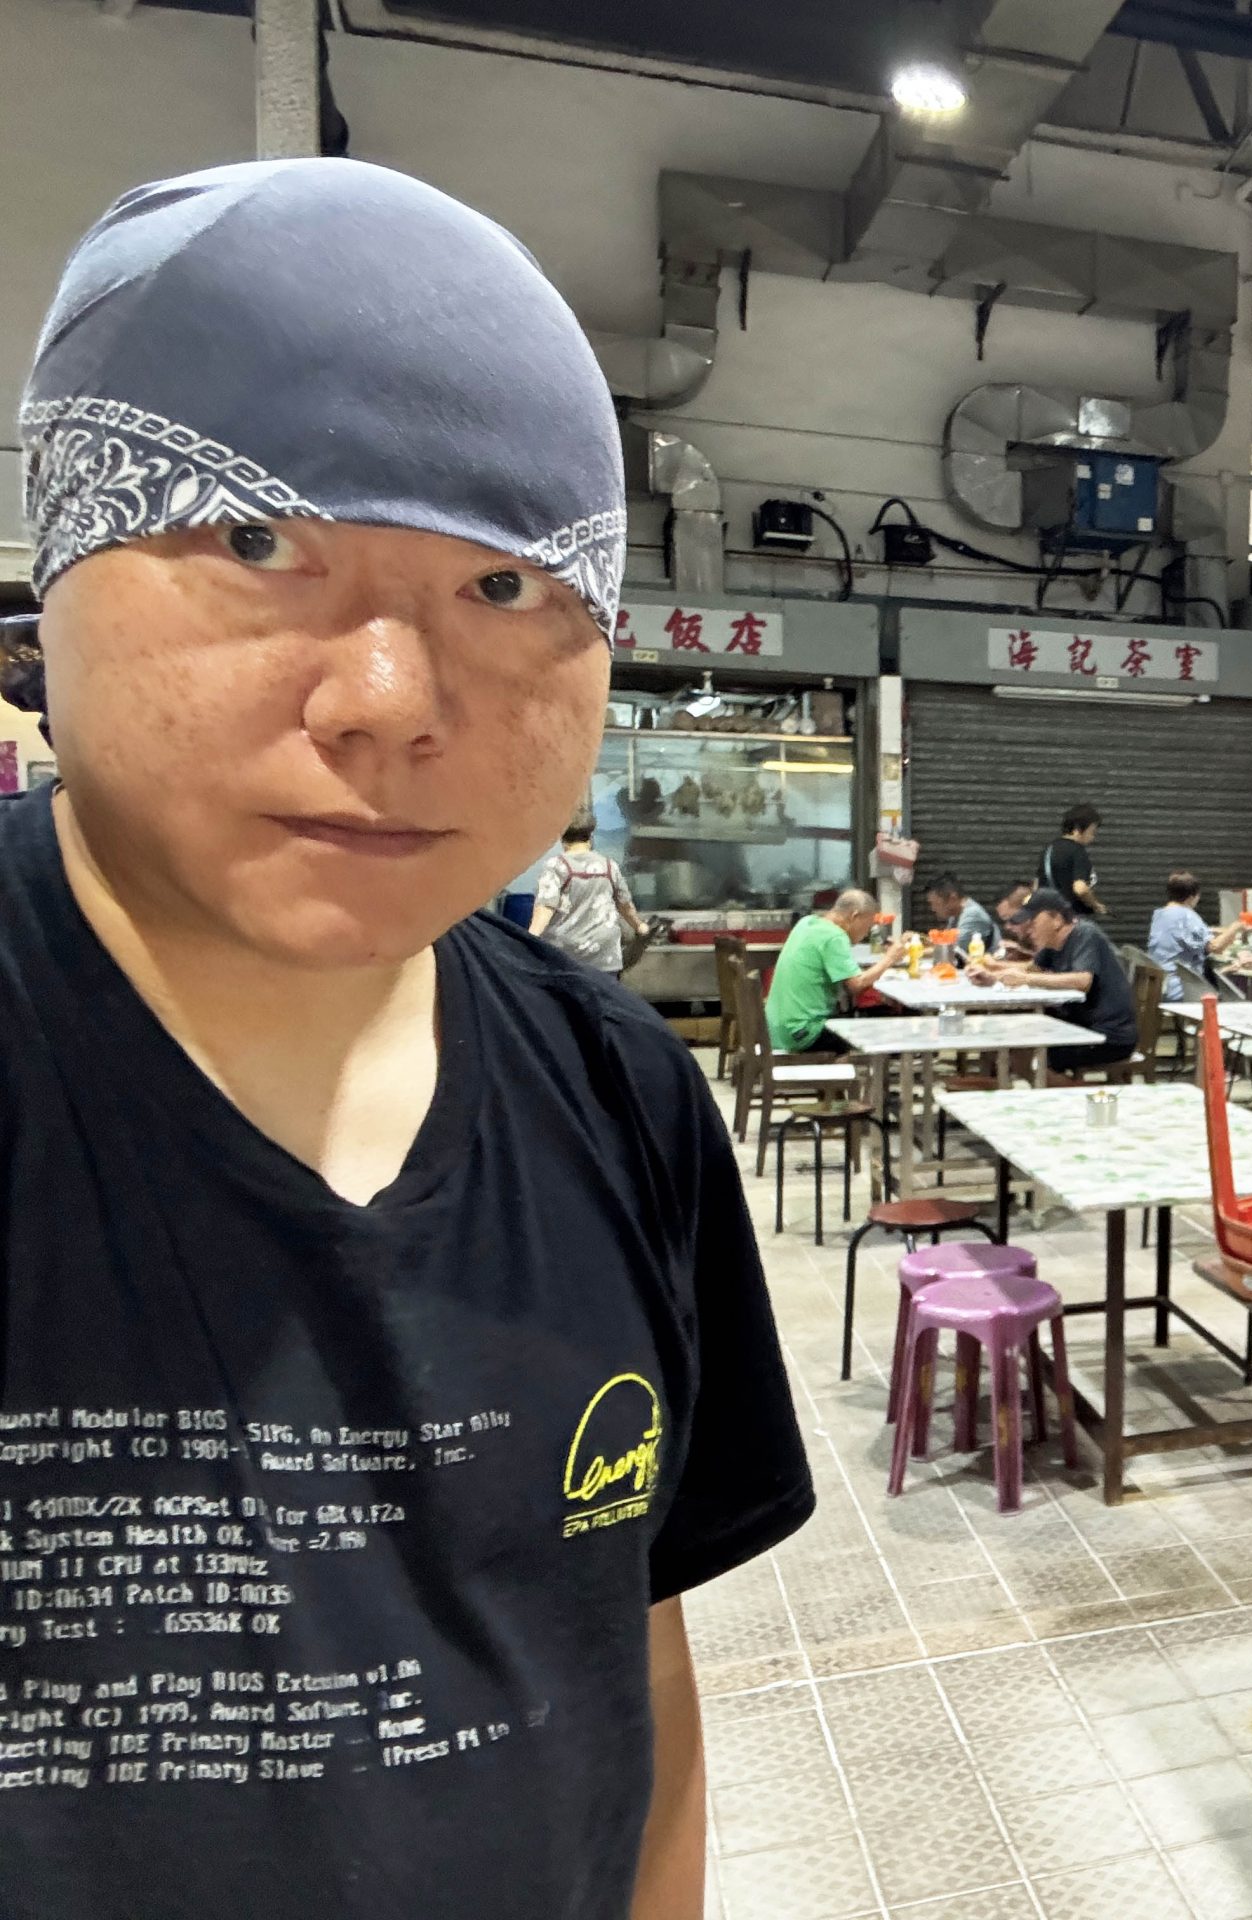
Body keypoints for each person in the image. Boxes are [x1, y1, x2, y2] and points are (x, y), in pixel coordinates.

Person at [0, 159, 811, 1918]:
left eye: (507, 588)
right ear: (55, 569)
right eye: (255, 542)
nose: (390, 702)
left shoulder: (622, 1095)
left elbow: (638, 1673)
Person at [971, 888, 1135, 1073]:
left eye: (1034, 921)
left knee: (1029, 1057)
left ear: (1056, 919)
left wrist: (1026, 979)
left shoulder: (1084, 934)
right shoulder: (1051, 943)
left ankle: (1083, 1091)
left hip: (1107, 1035)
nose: (1028, 927)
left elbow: (1083, 980)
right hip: (1076, 1023)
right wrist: (991, 975)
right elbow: (1029, 969)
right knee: (1008, 1034)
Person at [764, 887, 895, 1052]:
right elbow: (856, 985)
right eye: (867, 926)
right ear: (854, 916)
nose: (866, 934)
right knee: (877, 1034)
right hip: (803, 1032)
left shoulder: (807, 923)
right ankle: (851, 1067)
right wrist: (890, 958)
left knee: (857, 1020)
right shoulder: (834, 937)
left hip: (776, 1029)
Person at [529, 807, 646, 976]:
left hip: (565, 957)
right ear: (590, 836)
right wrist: (639, 926)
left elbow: (545, 908)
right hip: (604, 956)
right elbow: (624, 905)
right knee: (603, 994)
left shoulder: (555, 866)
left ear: (561, 836)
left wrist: (529, 939)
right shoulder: (609, 866)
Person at [1148, 869, 1242, 1001]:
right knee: (1228, 996)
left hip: (1158, 986)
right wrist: (1236, 927)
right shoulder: (1188, 916)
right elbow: (1215, 947)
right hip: (1180, 989)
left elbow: (1183, 933)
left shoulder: (1160, 914)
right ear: (1192, 897)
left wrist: (1216, 931)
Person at [1041, 802, 1106, 918]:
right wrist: (1095, 904)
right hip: (1071, 919)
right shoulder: (1077, 851)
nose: (1092, 838)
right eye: (1092, 832)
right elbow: (1080, 888)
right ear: (1077, 829)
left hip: (1048, 918)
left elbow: (1037, 885)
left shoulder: (1049, 849)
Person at [923, 870, 999, 956]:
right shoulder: (954, 915)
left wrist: (918, 951)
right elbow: (944, 942)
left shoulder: (973, 915)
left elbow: (953, 950)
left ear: (952, 898)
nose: (933, 908)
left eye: (935, 903)